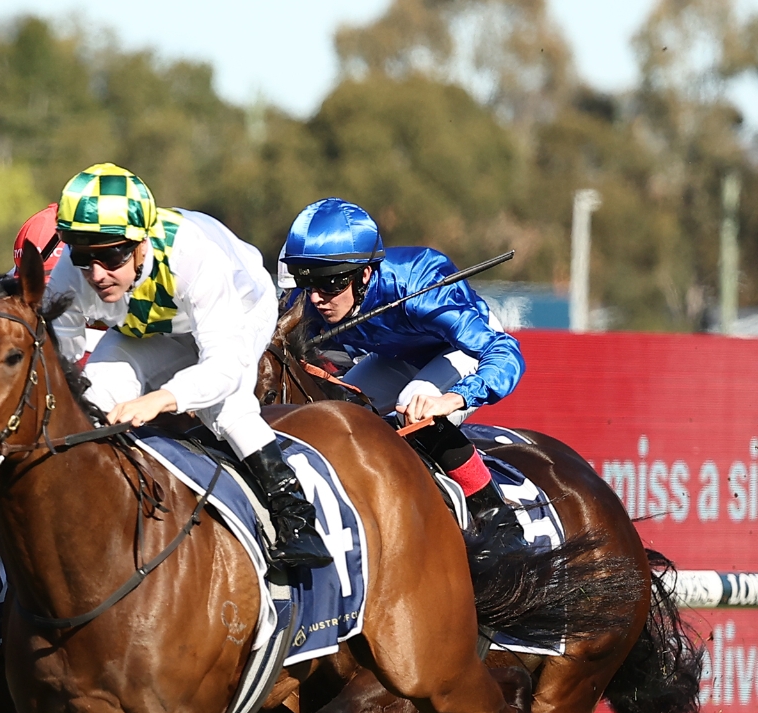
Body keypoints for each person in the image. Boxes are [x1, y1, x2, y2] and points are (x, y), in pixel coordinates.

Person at [46, 164, 332, 571]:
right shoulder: (71, 275)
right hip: (154, 325)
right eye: (82, 255)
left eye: (111, 255)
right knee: (97, 388)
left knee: (226, 405)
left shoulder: (194, 255)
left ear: (142, 241)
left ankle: (297, 519)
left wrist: (161, 400)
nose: (96, 273)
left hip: (240, 310)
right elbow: (63, 358)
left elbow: (223, 364)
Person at [278, 198, 524, 550]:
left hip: (461, 349)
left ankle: (500, 524)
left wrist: (453, 399)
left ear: (364, 274)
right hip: (397, 355)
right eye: (308, 282)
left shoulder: (419, 287)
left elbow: (504, 352)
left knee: (414, 401)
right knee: (337, 414)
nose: (316, 299)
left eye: (330, 284)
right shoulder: (311, 299)